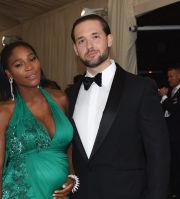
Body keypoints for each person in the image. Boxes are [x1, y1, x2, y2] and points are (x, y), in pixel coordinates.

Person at [66, 14, 170, 199]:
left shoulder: (140, 88)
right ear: (75, 49)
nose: (89, 46)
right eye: (81, 41)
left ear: (109, 39)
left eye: (95, 36)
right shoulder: (71, 95)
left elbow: (159, 154)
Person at [0, 41, 76, 199]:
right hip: (21, 194)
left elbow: (69, 146)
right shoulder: (2, 113)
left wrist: (72, 176)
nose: (29, 67)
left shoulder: (60, 98)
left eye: (32, 59)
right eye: (19, 64)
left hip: (59, 195)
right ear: (9, 73)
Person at [158, 66, 180, 198]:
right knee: (172, 164)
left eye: (171, 76)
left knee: (177, 165)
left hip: (177, 137)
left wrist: (165, 97)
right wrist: (164, 98)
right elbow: (164, 111)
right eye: (168, 76)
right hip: (170, 136)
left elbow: (175, 109)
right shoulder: (172, 91)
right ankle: (173, 190)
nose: (169, 79)